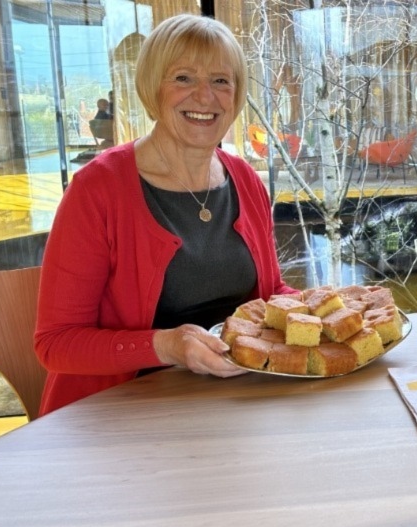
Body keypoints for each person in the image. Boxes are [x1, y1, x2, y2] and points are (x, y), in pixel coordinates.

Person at [35, 14, 297, 416]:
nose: (205, 97)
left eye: (221, 81)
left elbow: (270, 295)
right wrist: (165, 346)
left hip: (236, 403)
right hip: (117, 417)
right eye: (184, 78)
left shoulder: (244, 178)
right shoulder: (97, 190)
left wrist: (327, 305)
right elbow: (56, 343)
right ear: (151, 88)